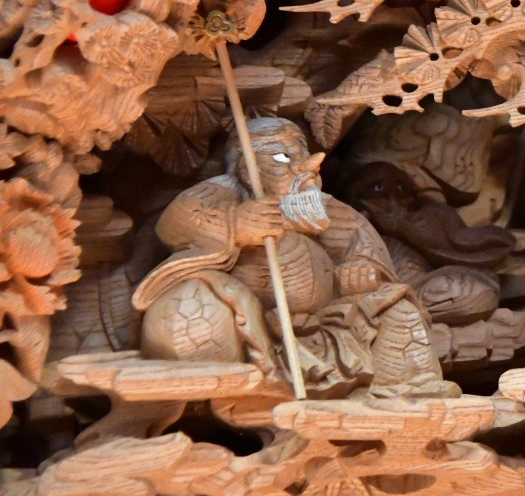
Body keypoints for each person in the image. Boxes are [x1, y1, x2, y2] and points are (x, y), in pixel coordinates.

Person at [133, 117, 454, 399]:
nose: (304, 165)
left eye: (301, 153)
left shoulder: (322, 206)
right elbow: (174, 226)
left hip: (330, 320)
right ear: (247, 168)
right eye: (283, 157)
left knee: (395, 306)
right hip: (250, 320)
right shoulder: (218, 194)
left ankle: (407, 390)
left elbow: (361, 243)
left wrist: (364, 269)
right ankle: (228, 388)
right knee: (198, 303)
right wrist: (235, 225)